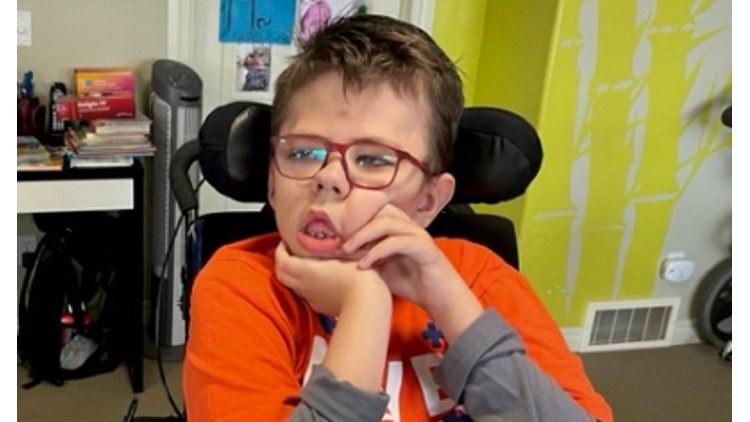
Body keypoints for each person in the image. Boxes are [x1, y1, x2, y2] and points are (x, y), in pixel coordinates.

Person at [183, 14, 613, 422]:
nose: (328, 177)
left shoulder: (482, 278)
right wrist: (365, 303)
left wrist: (450, 303)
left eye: (373, 159)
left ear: (428, 200)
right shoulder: (242, 289)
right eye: (302, 152)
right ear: (272, 180)